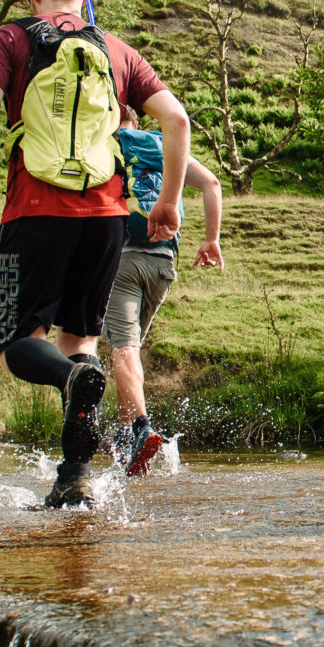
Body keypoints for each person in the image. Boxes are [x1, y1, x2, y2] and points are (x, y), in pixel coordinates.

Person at [0, 0, 192, 508]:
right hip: (108, 221)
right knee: (81, 343)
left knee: (20, 344)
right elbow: (178, 120)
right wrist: (167, 204)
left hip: (34, 214)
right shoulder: (116, 50)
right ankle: (73, 475)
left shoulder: (11, 40)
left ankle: (68, 386)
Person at [107, 103, 224, 473]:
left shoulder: (107, 144)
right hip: (163, 263)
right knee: (130, 351)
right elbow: (212, 184)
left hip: (121, 260)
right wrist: (211, 240)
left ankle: (141, 427)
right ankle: (128, 440)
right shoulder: (165, 144)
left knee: (122, 350)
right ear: (137, 119)